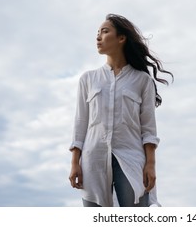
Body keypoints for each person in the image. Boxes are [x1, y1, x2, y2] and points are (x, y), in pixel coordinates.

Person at [68, 14, 173, 207]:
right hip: (93, 159)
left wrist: (150, 165)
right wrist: (75, 162)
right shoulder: (88, 79)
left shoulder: (142, 80)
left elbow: (148, 129)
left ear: (121, 38)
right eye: (97, 33)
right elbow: (80, 123)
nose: (98, 37)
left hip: (131, 158)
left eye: (105, 31)